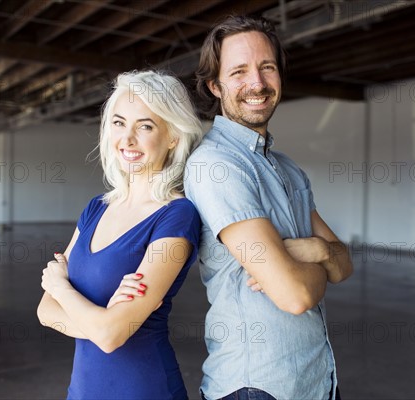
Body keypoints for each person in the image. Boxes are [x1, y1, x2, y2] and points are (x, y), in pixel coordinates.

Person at [184, 15, 353, 400]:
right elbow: (294, 295)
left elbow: (344, 266)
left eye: (267, 68)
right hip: (258, 384)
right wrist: (311, 263)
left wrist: (318, 250)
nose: (257, 84)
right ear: (215, 85)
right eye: (239, 71)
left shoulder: (288, 169)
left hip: (318, 380)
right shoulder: (217, 166)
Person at [37, 70, 203, 400]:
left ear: (172, 136)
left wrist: (60, 286)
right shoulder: (95, 209)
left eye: (145, 126)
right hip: (83, 391)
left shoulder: (177, 216)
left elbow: (111, 335)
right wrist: (104, 324)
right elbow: (44, 312)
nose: (127, 139)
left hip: (145, 389)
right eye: (118, 122)